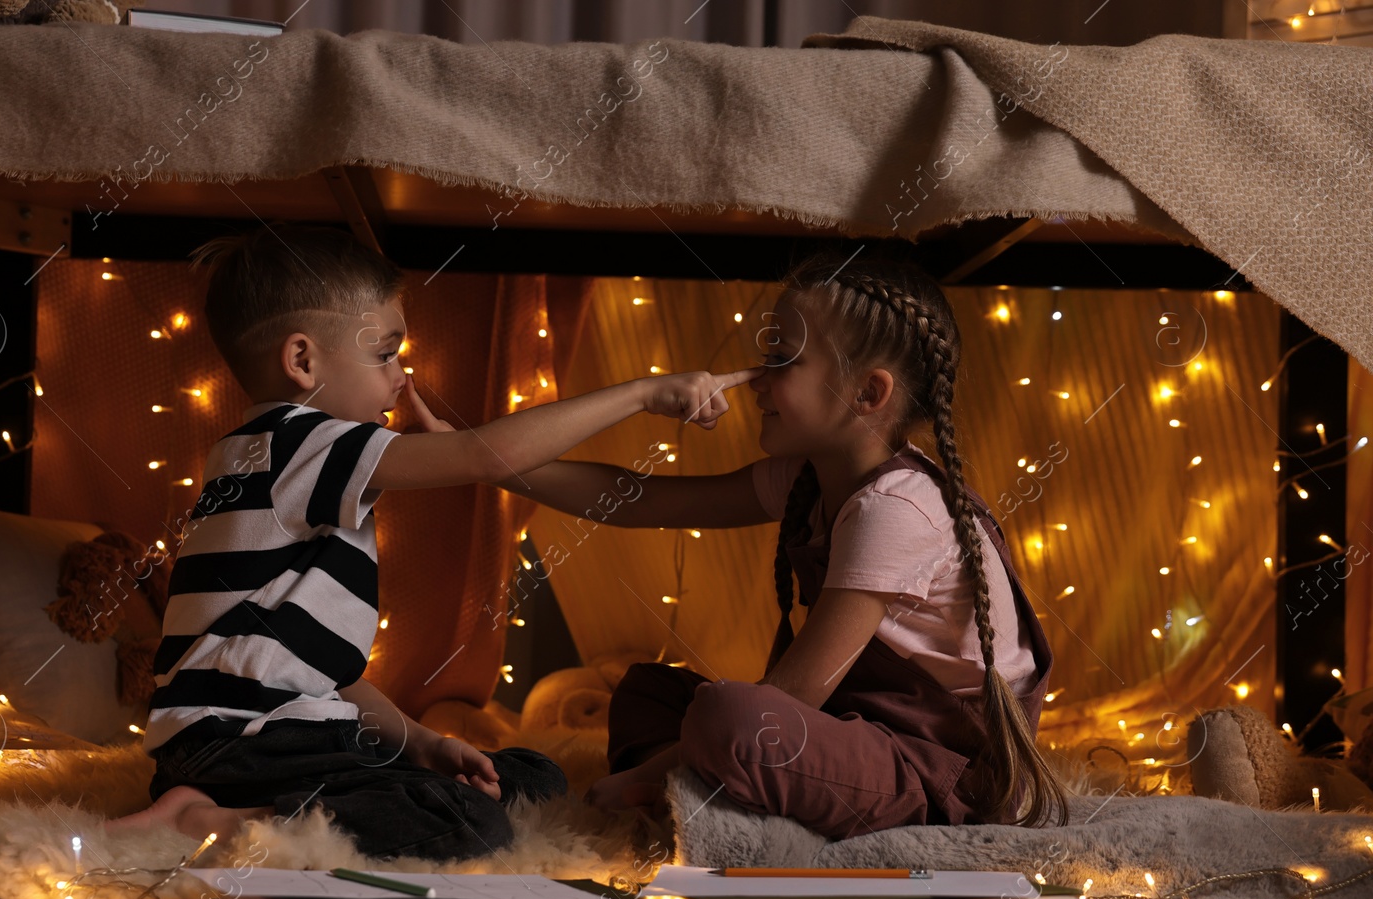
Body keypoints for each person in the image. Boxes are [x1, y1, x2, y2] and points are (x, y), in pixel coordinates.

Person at [109, 224, 763, 859]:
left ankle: (223, 798)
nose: (400, 375)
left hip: (231, 741)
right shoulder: (313, 442)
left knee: (532, 776)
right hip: (251, 744)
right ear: (303, 360)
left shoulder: (257, 455)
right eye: (384, 353)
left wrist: (421, 742)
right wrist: (646, 392)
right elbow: (491, 456)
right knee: (467, 820)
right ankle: (214, 820)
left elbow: (325, 676)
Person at [495, 251, 1070, 836]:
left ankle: (685, 793)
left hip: (935, 768)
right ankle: (710, 791)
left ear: (869, 393)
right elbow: (640, 501)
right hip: (853, 727)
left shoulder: (895, 508)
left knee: (734, 717)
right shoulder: (811, 476)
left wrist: (640, 773)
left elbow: (796, 692)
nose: (755, 380)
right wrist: (496, 463)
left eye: (781, 360)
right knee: (648, 689)